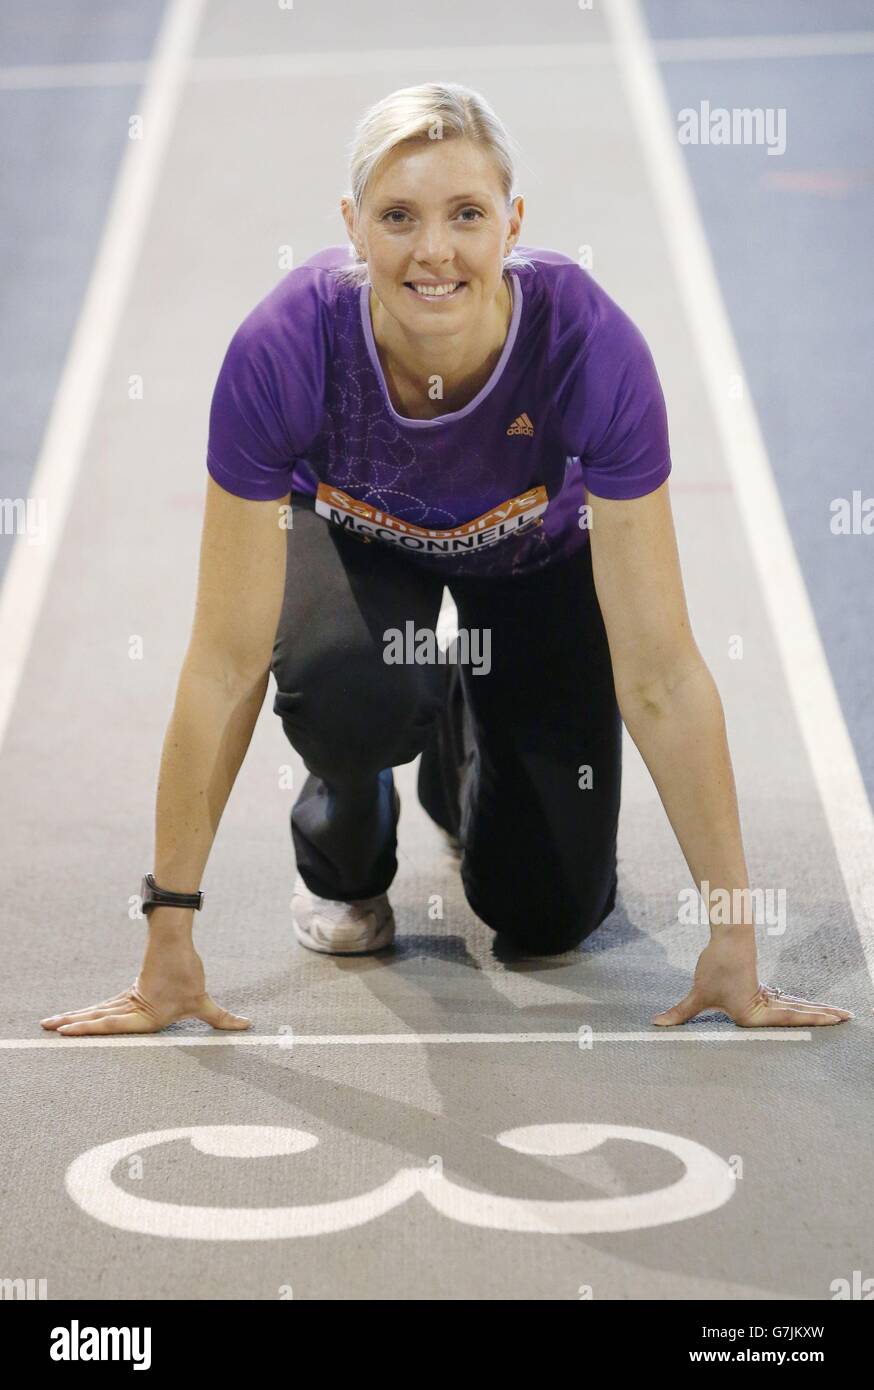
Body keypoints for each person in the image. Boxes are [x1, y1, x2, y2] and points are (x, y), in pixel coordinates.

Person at [40, 82, 851, 1036]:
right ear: (353, 227)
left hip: (533, 567)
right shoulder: (285, 349)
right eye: (398, 217)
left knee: (547, 915)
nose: (434, 250)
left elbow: (664, 671)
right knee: (359, 693)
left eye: (466, 214)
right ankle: (351, 839)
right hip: (361, 556)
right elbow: (223, 664)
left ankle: (459, 740)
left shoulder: (590, 347)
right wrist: (167, 933)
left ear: (514, 222)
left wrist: (734, 938)